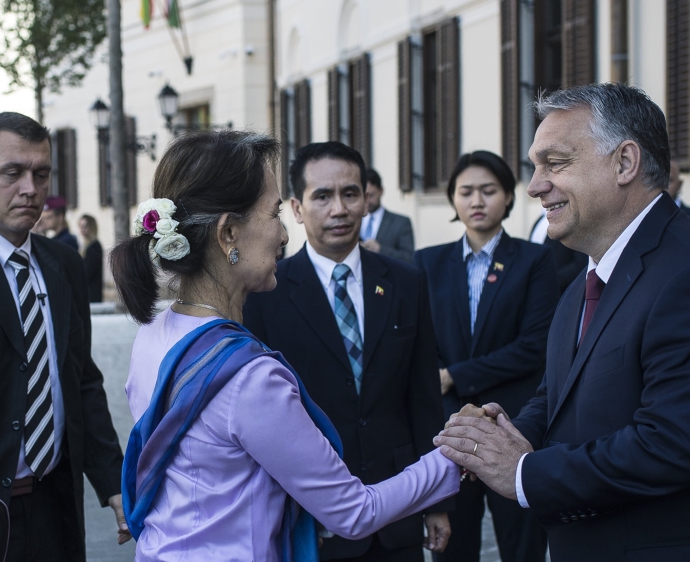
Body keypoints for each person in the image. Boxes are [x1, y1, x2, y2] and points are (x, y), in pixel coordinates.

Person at [435, 83, 690, 561]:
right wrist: (508, 434)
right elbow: (560, 396)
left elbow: (672, 446)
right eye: (535, 167)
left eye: (555, 163)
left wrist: (522, 471)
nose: (535, 185)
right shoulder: (588, 276)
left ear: (625, 163)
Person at [114, 130, 459, 561]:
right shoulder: (249, 379)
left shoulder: (154, 333)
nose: (283, 234)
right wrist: (458, 454)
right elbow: (353, 511)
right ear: (228, 234)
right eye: (274, 213)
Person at [243, 141, 452, 561]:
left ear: (366, 200)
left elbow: (424, 396)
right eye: (322, 196)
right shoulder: (266, 293)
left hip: (399, 505)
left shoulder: (406, 282)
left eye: (350, 193)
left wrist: (436, 499)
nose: (339, 209)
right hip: (313, 515)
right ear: (297, 208)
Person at [0, 112, 128, 561]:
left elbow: (81, 380)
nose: (30, 189)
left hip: (56, 510)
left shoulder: (64, 265)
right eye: (12, 173)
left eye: (41, 174)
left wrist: (113, 482)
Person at [414, 150, 555, 562]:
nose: (477, 201)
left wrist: (454, 375)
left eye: (489, 191)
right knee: (452, 548)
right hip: (450, 428)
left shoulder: (534, 260)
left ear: (508, 196)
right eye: (466, 192)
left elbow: (533, 346)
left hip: (514, 425)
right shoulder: (427, 262)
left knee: (521, 547)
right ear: (453, 199)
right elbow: (419, 342)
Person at [360, 169, 415, 263]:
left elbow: (409, 258)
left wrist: (380, 249)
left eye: (371, 195)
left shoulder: (401, 223)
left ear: (381, 191)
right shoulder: (353, 221)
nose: (367, 201)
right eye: (364, 196)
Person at [528, 210, 586, 293]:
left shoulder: (572, 220)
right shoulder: (539, 220)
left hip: (565, 292)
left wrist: (547, 281)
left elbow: (581, 263)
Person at [79, 214, 104, 303]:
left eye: (85, 226)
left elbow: (89, 272)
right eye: (81, 226)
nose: (82, 229)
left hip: (92, 292)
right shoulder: (85, 245)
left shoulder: (94, 246)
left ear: (92, 227)